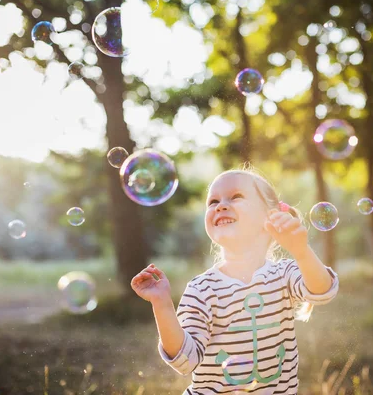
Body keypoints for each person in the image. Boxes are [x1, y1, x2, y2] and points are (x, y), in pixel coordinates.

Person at [131, 166, 339, 394]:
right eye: (212, 202)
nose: (220, 205)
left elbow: (323, 290)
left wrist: (301, 251)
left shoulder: (284, 275)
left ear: (270, 215)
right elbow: (185, 360)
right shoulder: (202, 289)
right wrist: (161, 303)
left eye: (236, 196)